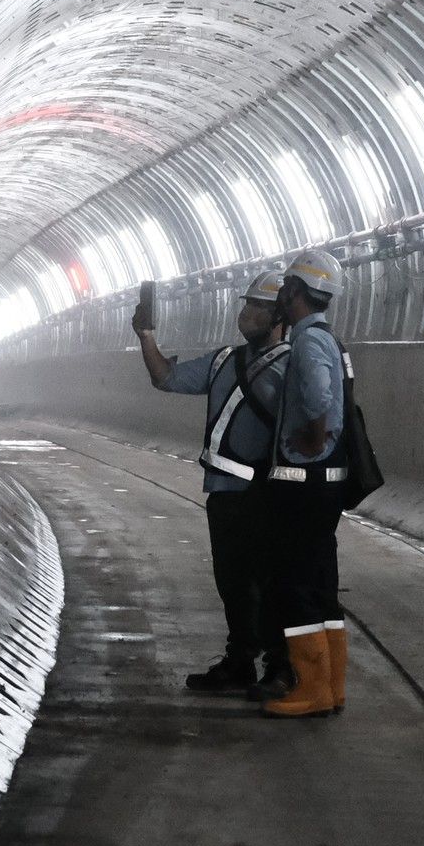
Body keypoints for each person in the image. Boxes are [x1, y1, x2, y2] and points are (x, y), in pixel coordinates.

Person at [136, 270, 295, 697]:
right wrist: (146, 335)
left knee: (270, 583)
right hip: (224, 493)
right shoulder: (225, 360)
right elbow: (164, 378)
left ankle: (280, 664)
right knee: (234, 582)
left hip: (266, 495)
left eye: (258, 306)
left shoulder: (292, 365)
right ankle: (240, 660)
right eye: (246, 304)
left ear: (280, 313)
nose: (246, 313)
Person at [259, 247, 350, 719]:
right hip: (326, 485)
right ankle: (331, 686)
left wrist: (312, 437)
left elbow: (318, 396)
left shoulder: (309, 342)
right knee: (319, 583)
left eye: (284, 288)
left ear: (295, 290)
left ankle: (310, 687)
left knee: (294, 582)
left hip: (304, 484)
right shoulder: (328, 338)